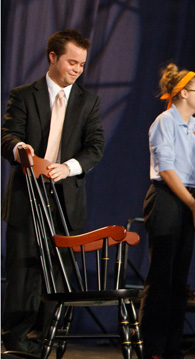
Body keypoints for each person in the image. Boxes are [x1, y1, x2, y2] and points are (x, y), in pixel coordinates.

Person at [1, 29, 105, 354]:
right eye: (71, 62)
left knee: (56, 274)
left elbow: (95, 146)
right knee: (22, 272)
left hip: (65, 199)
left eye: (82, 64)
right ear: (53, 57)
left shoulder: (88, 101)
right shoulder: (24, 95)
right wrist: (21, 150)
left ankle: (46, 340)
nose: (77, 69)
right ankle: (15, 343)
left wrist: (69, 166)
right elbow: (8, 136)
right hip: (27, 197)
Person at [140, 64, 195, 359]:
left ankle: (172, 349)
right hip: (166, 199)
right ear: (184, 93)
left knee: (179, 281)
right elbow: (166, 169)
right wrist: (193, 206)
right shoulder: (164, 121)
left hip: (189, 200)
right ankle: (152, 349)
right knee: (161, 276)